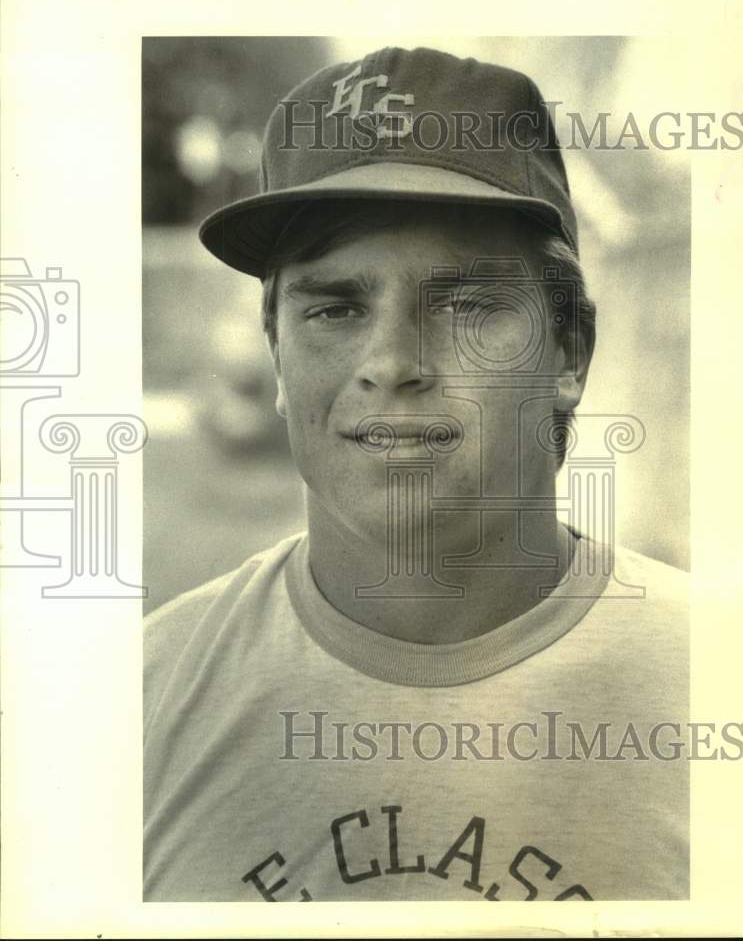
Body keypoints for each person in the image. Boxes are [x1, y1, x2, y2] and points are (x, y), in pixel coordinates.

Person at [144, 46, 689, 902]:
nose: (392, 362)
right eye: (334, 308)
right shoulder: (131, 708)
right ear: (278, 356)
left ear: (569, 351)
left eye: (465, 304)